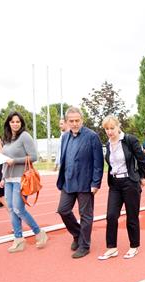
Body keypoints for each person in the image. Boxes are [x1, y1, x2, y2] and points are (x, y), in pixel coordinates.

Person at [56, 107, 104, 259]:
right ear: (67, 122)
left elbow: (98, 162)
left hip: (85, 182)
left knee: (86, 215)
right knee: (63, 210)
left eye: (77, 120)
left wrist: (96, 183)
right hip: (68, 182)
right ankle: (77, 234)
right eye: (71, 121)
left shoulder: (92, 136)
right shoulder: (65, 137)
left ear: (82, 120)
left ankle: (84, 245)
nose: (75, 123)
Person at [98, 116, 145, 260]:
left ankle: (134, 246)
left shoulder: (129, 140)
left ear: (118, 127)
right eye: (106, 129)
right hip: (114, 184)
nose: (109, 131)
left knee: (132, 216)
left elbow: (141, 158)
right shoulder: (107, 144)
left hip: (130, 182)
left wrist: (142, 176)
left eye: (112, 128)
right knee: (111, 215)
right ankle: (112, 248)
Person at [0, 111, 48, 253]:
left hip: (21, 178)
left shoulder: (24, 136)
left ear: (21, 123)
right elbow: (4, 160)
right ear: (8, 123)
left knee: (19, 209)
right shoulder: (7, 139)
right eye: (12, 121)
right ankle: (18, 239)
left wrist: (14, 161)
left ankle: (39, 232)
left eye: (18, 122)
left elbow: (34, 157)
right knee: (11, 209)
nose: (15, 124)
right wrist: (3, 177)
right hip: (8, 179)